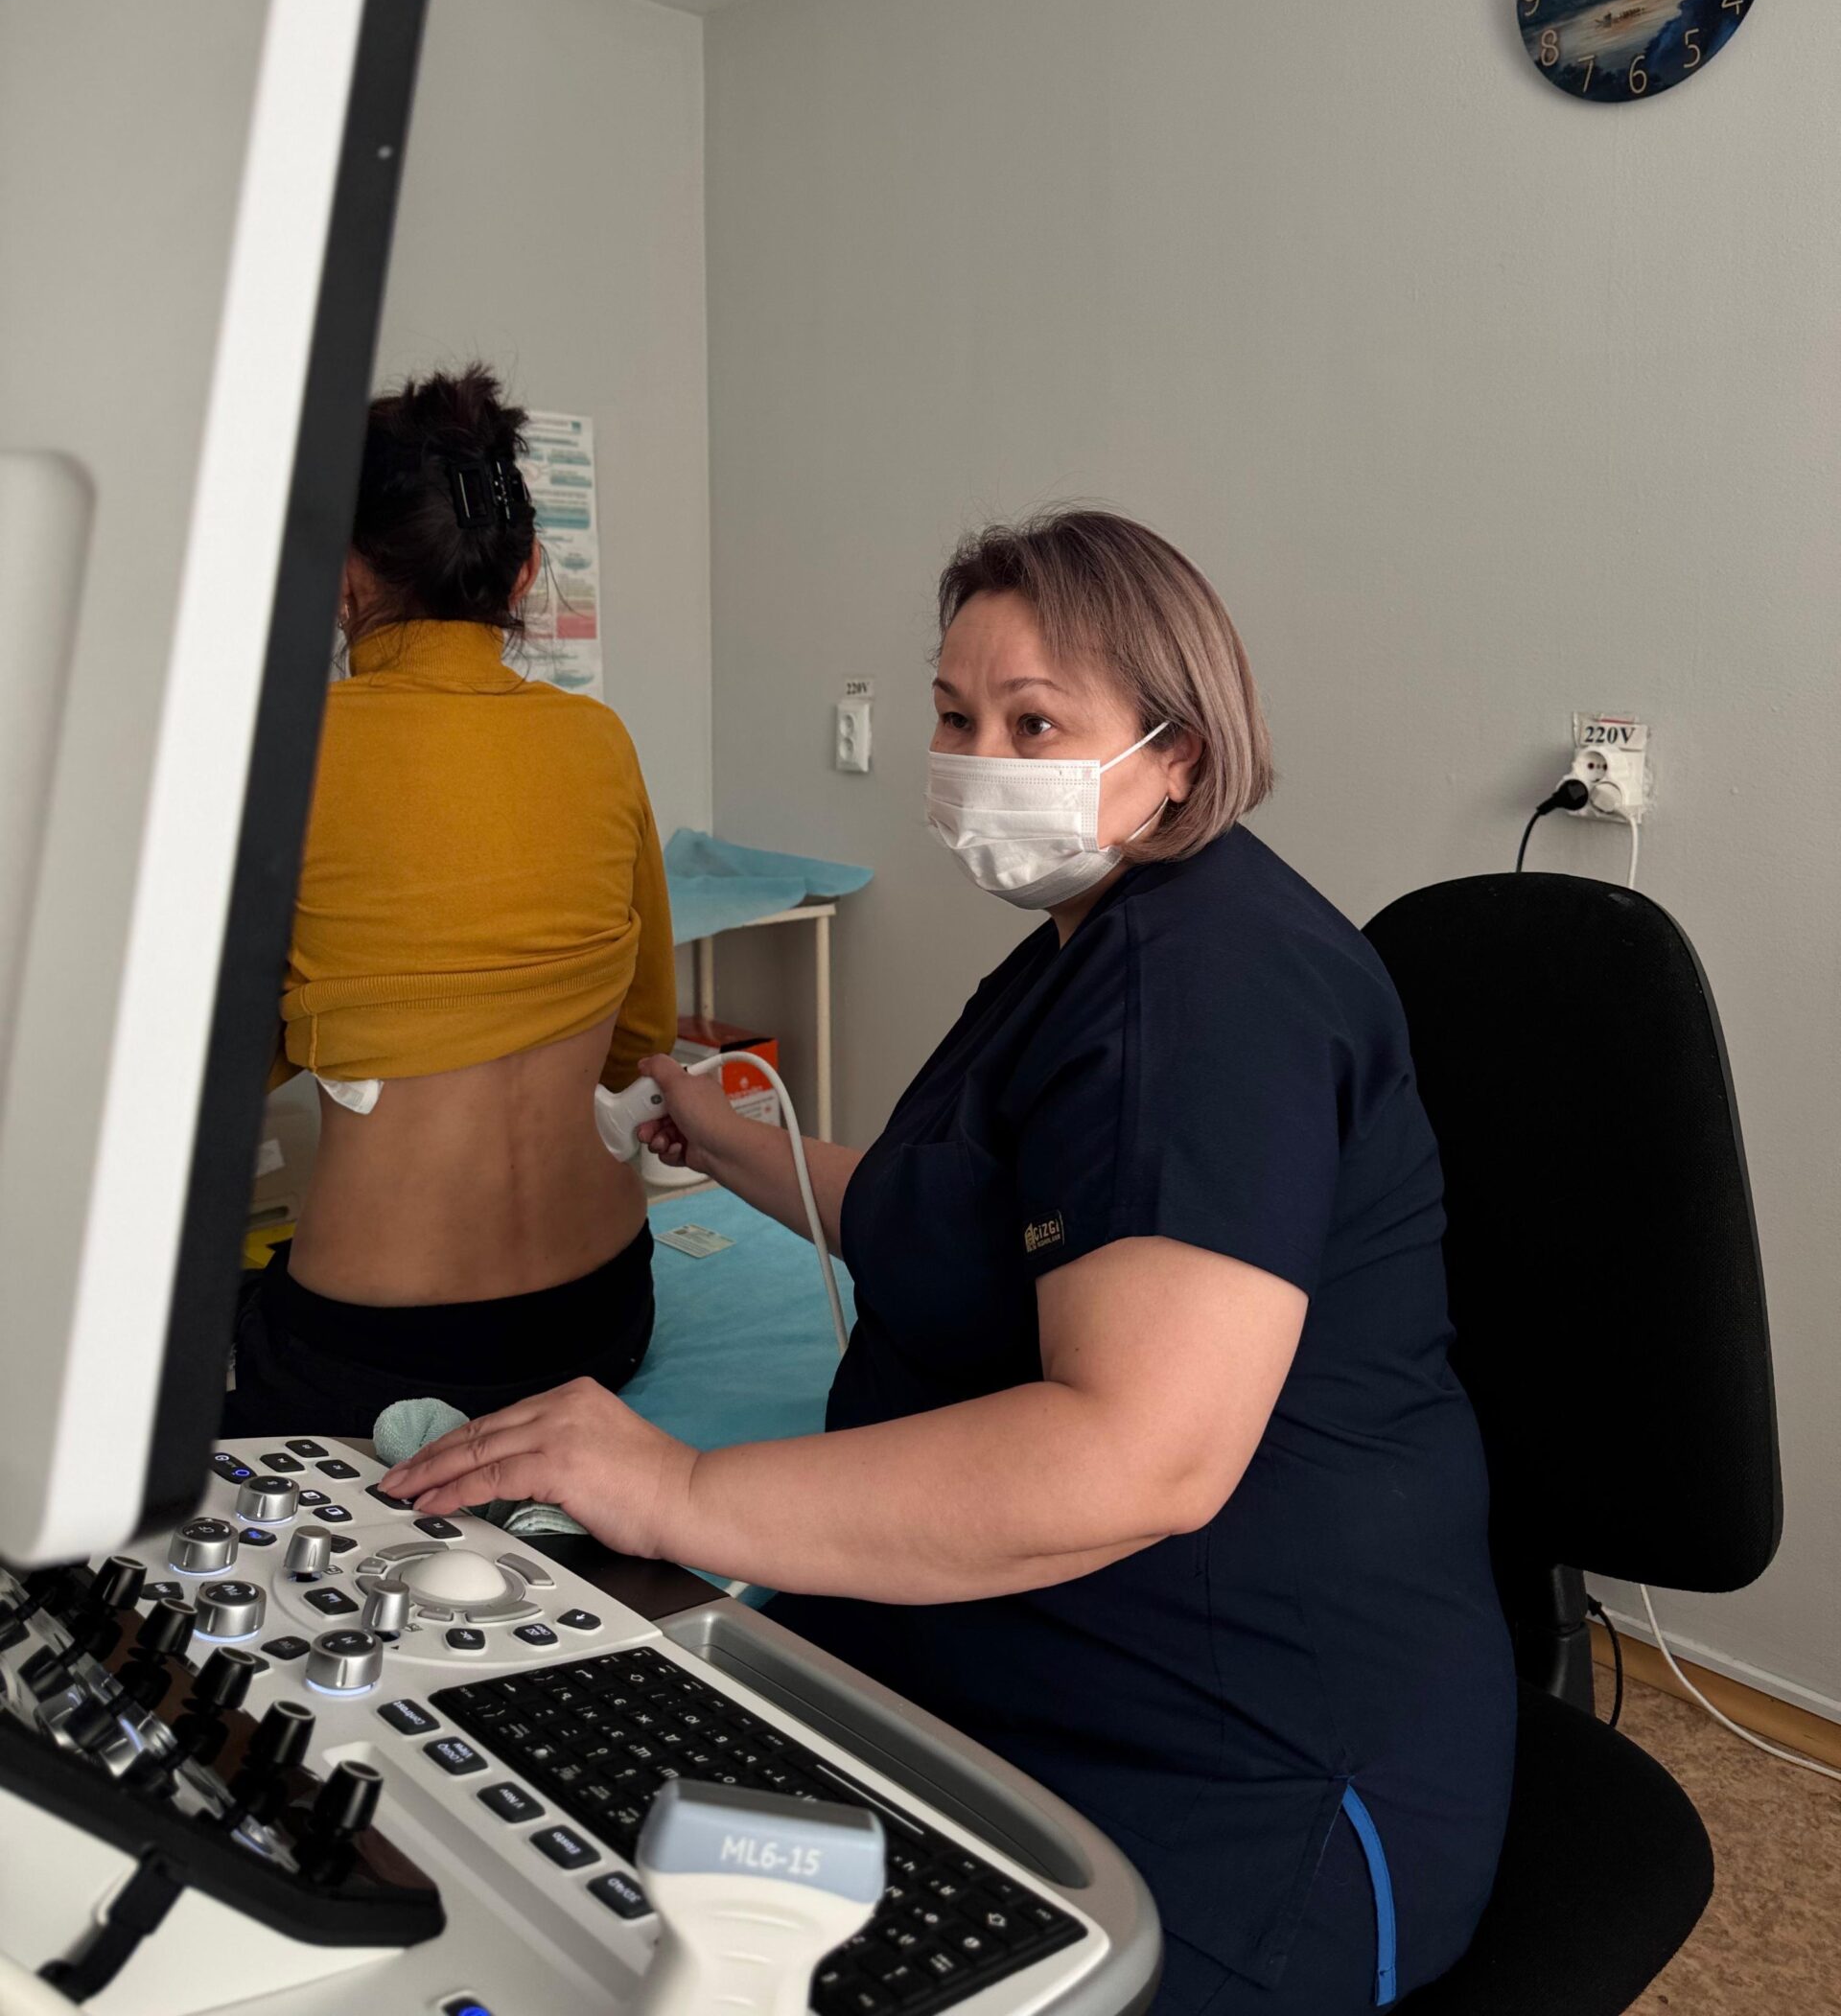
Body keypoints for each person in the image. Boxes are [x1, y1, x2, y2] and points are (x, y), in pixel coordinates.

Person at [382, 508, 1515, 2012]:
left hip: (1241, 1765)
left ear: (1178, 752)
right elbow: (963, 1217)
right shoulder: (1089, 945)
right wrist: (735, 1145)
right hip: (1001, 1641)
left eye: (1036, 723)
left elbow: (1141, 1459)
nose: (981, 757)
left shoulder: (1210, 992)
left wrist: (680, 1489)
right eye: (955, 714)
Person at [224, 365, 677, 1439]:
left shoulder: (287, 753)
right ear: (523, 572)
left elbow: (225, 1067)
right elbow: (641, 1039)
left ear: (344, 575)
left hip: (374, 1356)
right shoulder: (599, 742)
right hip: (604, 1319)